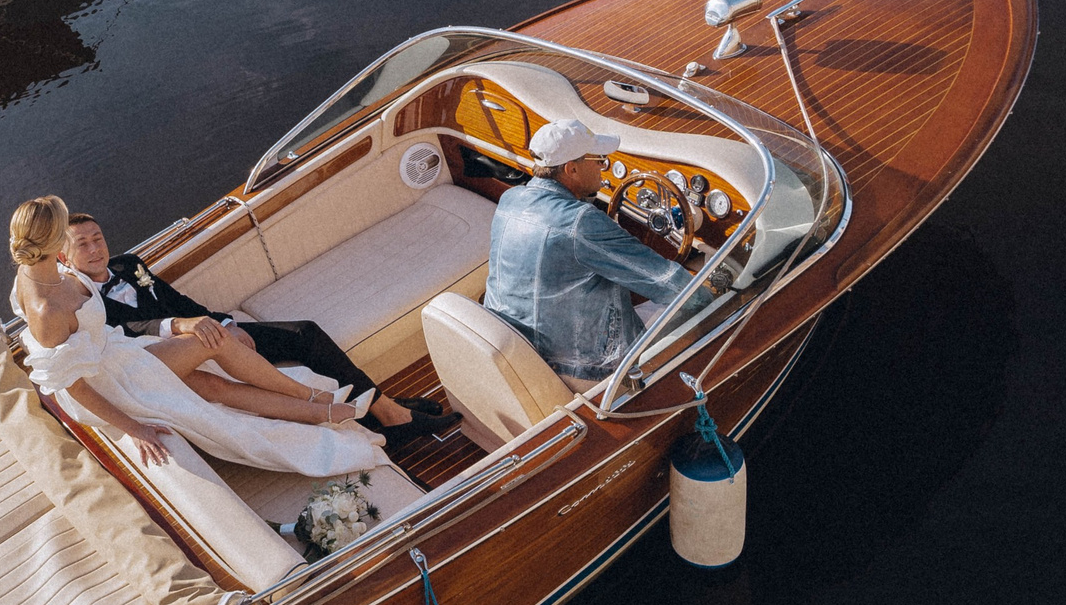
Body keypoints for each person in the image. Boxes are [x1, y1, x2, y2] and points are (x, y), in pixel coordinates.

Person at [8, 195, 386, 479]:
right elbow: (74, 386)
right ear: (57, 244)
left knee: (214, 387)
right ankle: (311, 397)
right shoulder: (47, 310)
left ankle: (327, 412)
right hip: (110, 379)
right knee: (213, 341)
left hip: (122, 352)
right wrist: (134, 428)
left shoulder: (30, 271)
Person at [61, 211, 454, 451]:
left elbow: (179, 299)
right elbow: (127, 330)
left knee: (305, 333)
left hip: (212, 333)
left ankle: (384, 408)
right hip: (181, 363)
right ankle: (392, 416)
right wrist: (183, 326)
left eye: (98, 238)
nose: (96, 249)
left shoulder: (129, 265)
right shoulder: (76, 301)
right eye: (83, 244)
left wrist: (228, 322)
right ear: (64, 256)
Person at [482, 118, 705, 384]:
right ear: (571, 169)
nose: (604, 165)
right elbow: (669, 285)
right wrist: (717, 297)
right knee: (696, 312)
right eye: (598, 159)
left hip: (524, 346)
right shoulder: (580, 222)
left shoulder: (511, 199)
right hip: (581, 366)